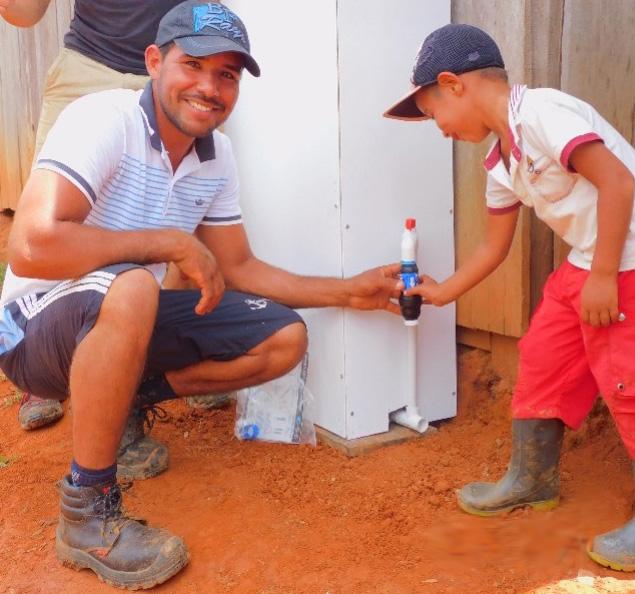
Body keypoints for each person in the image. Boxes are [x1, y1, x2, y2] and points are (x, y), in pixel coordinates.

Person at [0, 1, 401, 587]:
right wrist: (168, 243)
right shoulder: (103, 118)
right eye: (194, 65)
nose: (209, 87)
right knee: (137, 282)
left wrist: (348, 290)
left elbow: (238, 266)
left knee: (282, 338)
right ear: (154, 61)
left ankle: (122, 395)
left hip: (113, 314)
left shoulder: (217, 156)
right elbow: (30, 247)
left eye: (227, 75)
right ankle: (86, 509)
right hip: (32, 330)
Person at [384, 24, 635, 571]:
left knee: (626, 381)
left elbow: (618, 183)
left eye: (433, 115)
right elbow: (493, 248)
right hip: (591, 262)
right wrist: (441, 292)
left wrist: (604, 275)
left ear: (453, 85)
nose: (440, 130)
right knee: (543, 357)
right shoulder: (501, 162)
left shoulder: (542, 112)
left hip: (625, 261)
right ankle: (531, 478)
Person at [0, 0, 228, 436]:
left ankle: (147, 366)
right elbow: (23, 13)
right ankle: (42, 368)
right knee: (50, 224)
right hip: (90, 64)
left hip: (183, 66)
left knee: (189, 223)